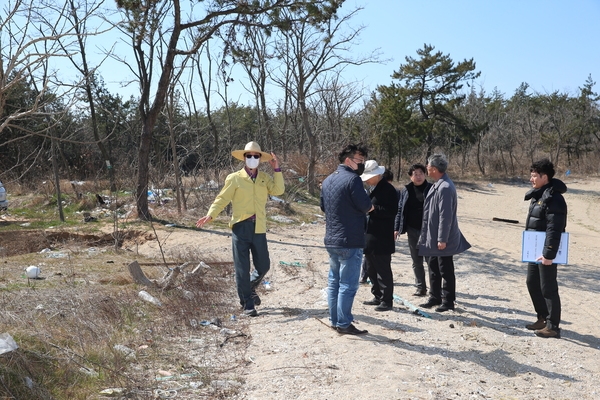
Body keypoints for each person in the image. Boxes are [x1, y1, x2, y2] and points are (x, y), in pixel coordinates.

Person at [196, 141, 284, 317]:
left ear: (260, 159)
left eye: (256, 156)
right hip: (240, 227)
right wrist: (211, 214)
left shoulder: (264, 178)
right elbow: (222, 198)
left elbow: (279, 190)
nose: (252, 159)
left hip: (259, 226)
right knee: (242, 268)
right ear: (244, 158)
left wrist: (276, 169)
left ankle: (249, 287)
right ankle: (247, 304)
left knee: (264, 265)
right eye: (249, 156)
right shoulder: (234, 178)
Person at [320, 144, 373, 335]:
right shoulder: (353, 180)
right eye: (360, 160)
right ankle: (344, 323)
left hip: (332, 239)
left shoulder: (327, 180)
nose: (362, 165)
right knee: (348, 284)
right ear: (348, 160)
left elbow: (323, 206)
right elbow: (366, 205)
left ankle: (335, 320)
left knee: (334, 282)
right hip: (350, 239)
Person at [418, 154, 471, 312]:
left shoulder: (446, 187)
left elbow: (445, 216)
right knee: (433, 266)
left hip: (443, 238)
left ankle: (448, 301)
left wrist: (442, 239)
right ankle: (435, 296)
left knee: (445, 269)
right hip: (433, 236)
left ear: (434, 169)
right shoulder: (437, 184)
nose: (426, 168)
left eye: (428, 166)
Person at [524, 158, 567, 338]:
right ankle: (542, 317)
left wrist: (548, 253)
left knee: (548, 287)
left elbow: (554, 228)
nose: (531, 179)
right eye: (531, 175)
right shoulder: (539, 194)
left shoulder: (554, 199)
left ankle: (553, 326)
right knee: (532, 282)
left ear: (545, 177)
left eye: (534, 176)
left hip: (546, 251)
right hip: (534, 250)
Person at [360, 160, 399, 311]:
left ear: (377, 175)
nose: (367, 180)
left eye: (369, 177)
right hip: (369, 234)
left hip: (382, 236)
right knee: (371, 268)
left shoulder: (388, 190)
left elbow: (391, 211)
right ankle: (377, 295)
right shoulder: (372, 188)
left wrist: (373, 209)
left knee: (383, 269)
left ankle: (387, 300)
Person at [394, 164, 433, 297]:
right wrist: (397, 228)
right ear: (410, 177)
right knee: (416, 261)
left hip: (428, 230)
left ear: (425, 174)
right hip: (412, 229)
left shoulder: (431, 189)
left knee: (430, 261)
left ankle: (434, 289)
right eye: (415, 174)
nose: (418, 176)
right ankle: (420, 288)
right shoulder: (406, 190)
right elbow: (400, 210)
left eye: (421, 173)